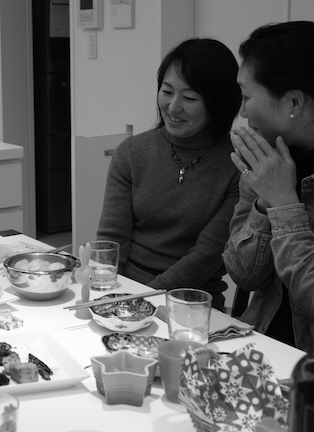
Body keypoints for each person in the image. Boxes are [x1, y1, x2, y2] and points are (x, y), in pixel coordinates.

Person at [97, 38, 242, 311]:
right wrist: (106, 293)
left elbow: (206, 255)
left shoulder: (236, 165)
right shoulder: (132, 152)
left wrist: (144, 300)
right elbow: (112, 239)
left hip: (193, 301)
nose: (173, 107)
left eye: (189, 98)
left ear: (219, 103)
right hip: (126, 290)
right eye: (167, 91)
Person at [223, 21, 314, 351]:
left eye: (246, 97)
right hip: (263, 344)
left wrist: (283, 202)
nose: (242, 112)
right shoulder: (267, 158)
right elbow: (244, 274)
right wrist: (263, 202)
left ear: (293, 103)